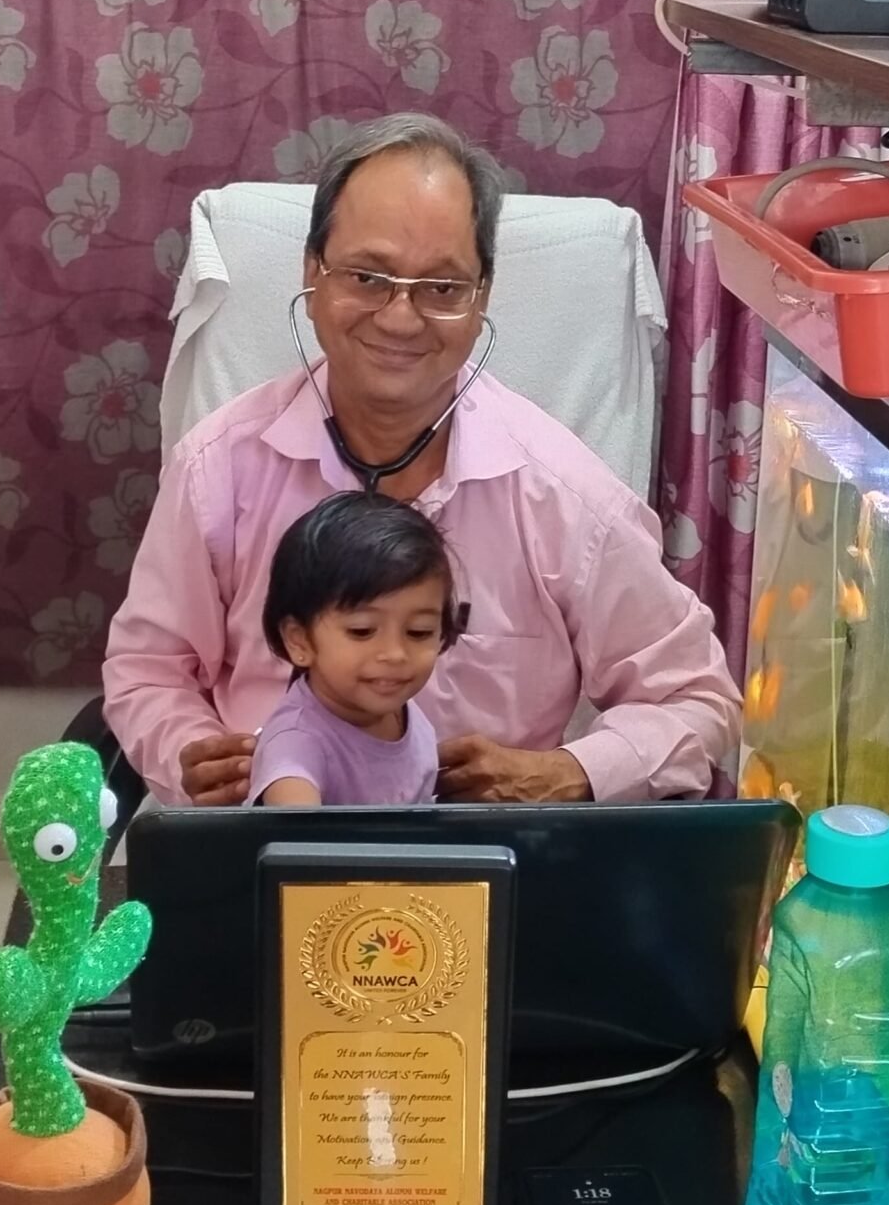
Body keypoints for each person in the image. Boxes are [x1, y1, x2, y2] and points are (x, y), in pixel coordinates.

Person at [102, 113, 742, 808]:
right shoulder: (217, 470)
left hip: (483, 871)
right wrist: (191, 755)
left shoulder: (564, 496)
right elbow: (148, 672)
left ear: (482, 298)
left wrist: (566, 773)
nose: (400, 318)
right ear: (312, 274)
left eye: (441, 288)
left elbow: (697, 699)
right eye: (368, 277)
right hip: (267, 853)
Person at [248, 491, 458, 808]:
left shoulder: (399, 711)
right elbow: (300, 851)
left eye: (419, 632)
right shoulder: (296, 750)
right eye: (362, 631)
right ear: (299, 640)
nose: (395, 653)